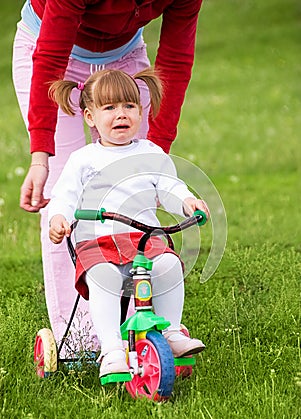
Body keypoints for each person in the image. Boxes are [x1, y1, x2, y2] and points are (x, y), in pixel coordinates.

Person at [12, 0, 204, 354]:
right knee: (61, 198)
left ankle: (140, 331)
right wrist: (40, 156)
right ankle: (81, 339)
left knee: (135, 190)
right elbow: (52, 55)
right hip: (54, 52)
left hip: (125, 58)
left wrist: (153, 155)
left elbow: (176, 62)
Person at [47, 67, 209, 379]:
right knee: (104, 276)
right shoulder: (83, 159)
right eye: (109, 108)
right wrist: (59, 218)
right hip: (99, 242)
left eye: (129, 106)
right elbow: (64, 197)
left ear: (140, 112)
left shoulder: (151, 152)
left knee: (169, 266)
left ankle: (172, 333)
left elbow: (169, 188)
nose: (121, 114)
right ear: (90, 117)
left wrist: (187, 202)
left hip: (144, 240)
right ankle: (111, 349)